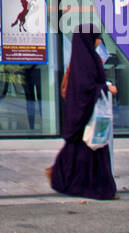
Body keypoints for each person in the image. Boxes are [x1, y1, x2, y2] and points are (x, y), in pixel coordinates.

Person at [47, 30, 118, 200]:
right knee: (91, 151)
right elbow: (87, 88)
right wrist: (106, 88)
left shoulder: (80, 60)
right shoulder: (88, 61)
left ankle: (65, 179)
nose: (99, 42)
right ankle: (94, 187)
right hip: (87, 117)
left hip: (81, 116)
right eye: (96, 38)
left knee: (79, 152)